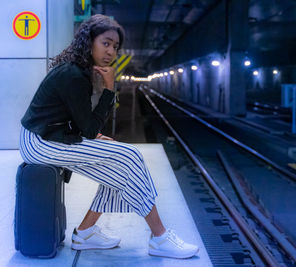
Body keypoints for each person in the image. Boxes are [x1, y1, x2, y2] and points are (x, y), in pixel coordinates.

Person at [19, 14, 199, 259]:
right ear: (89, 42)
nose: (111, 51)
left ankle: (85, 232)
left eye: (115, 46)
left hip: (49, 137)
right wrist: (109, 89)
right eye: (106, 43)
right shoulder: (73, 76)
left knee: (116, 167)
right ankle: (160, 237)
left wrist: (96, 135)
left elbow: (82, 124)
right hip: (39, 142)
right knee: (130, 156)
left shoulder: (78, 71)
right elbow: (89, 129)